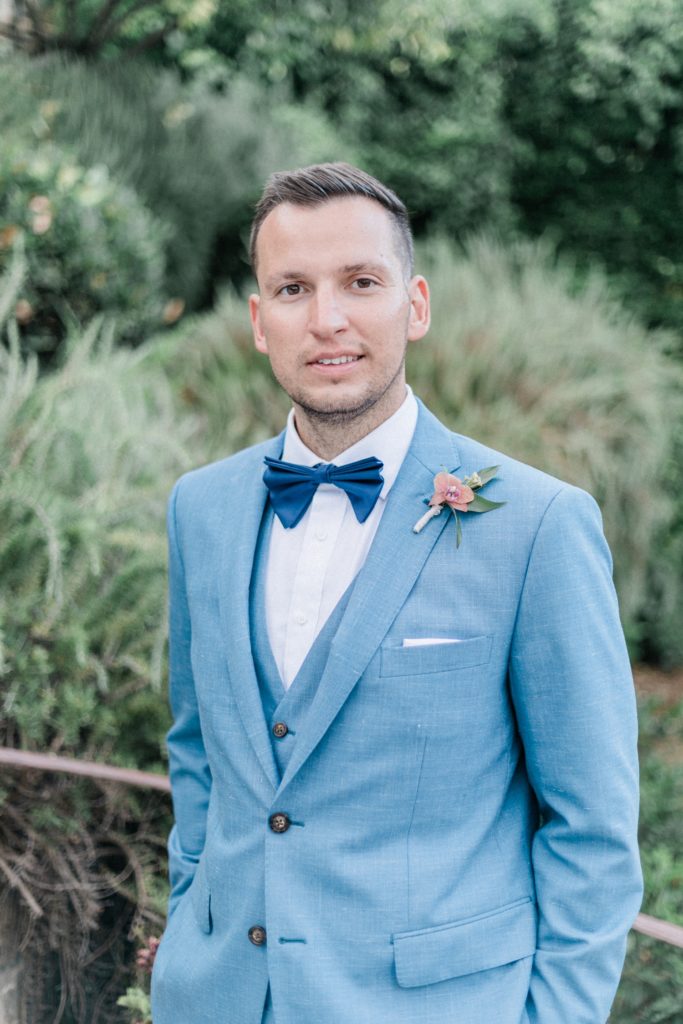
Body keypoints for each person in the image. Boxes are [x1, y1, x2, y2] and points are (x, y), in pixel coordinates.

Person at [151, 162, 642, 1024]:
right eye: (293, 289)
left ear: (413, 304)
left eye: (360, 282)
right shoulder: (202, 508)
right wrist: (197, 900)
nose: (327, 318)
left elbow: (590, 829)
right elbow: (198, 751)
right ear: (259, 322)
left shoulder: (536, 526)